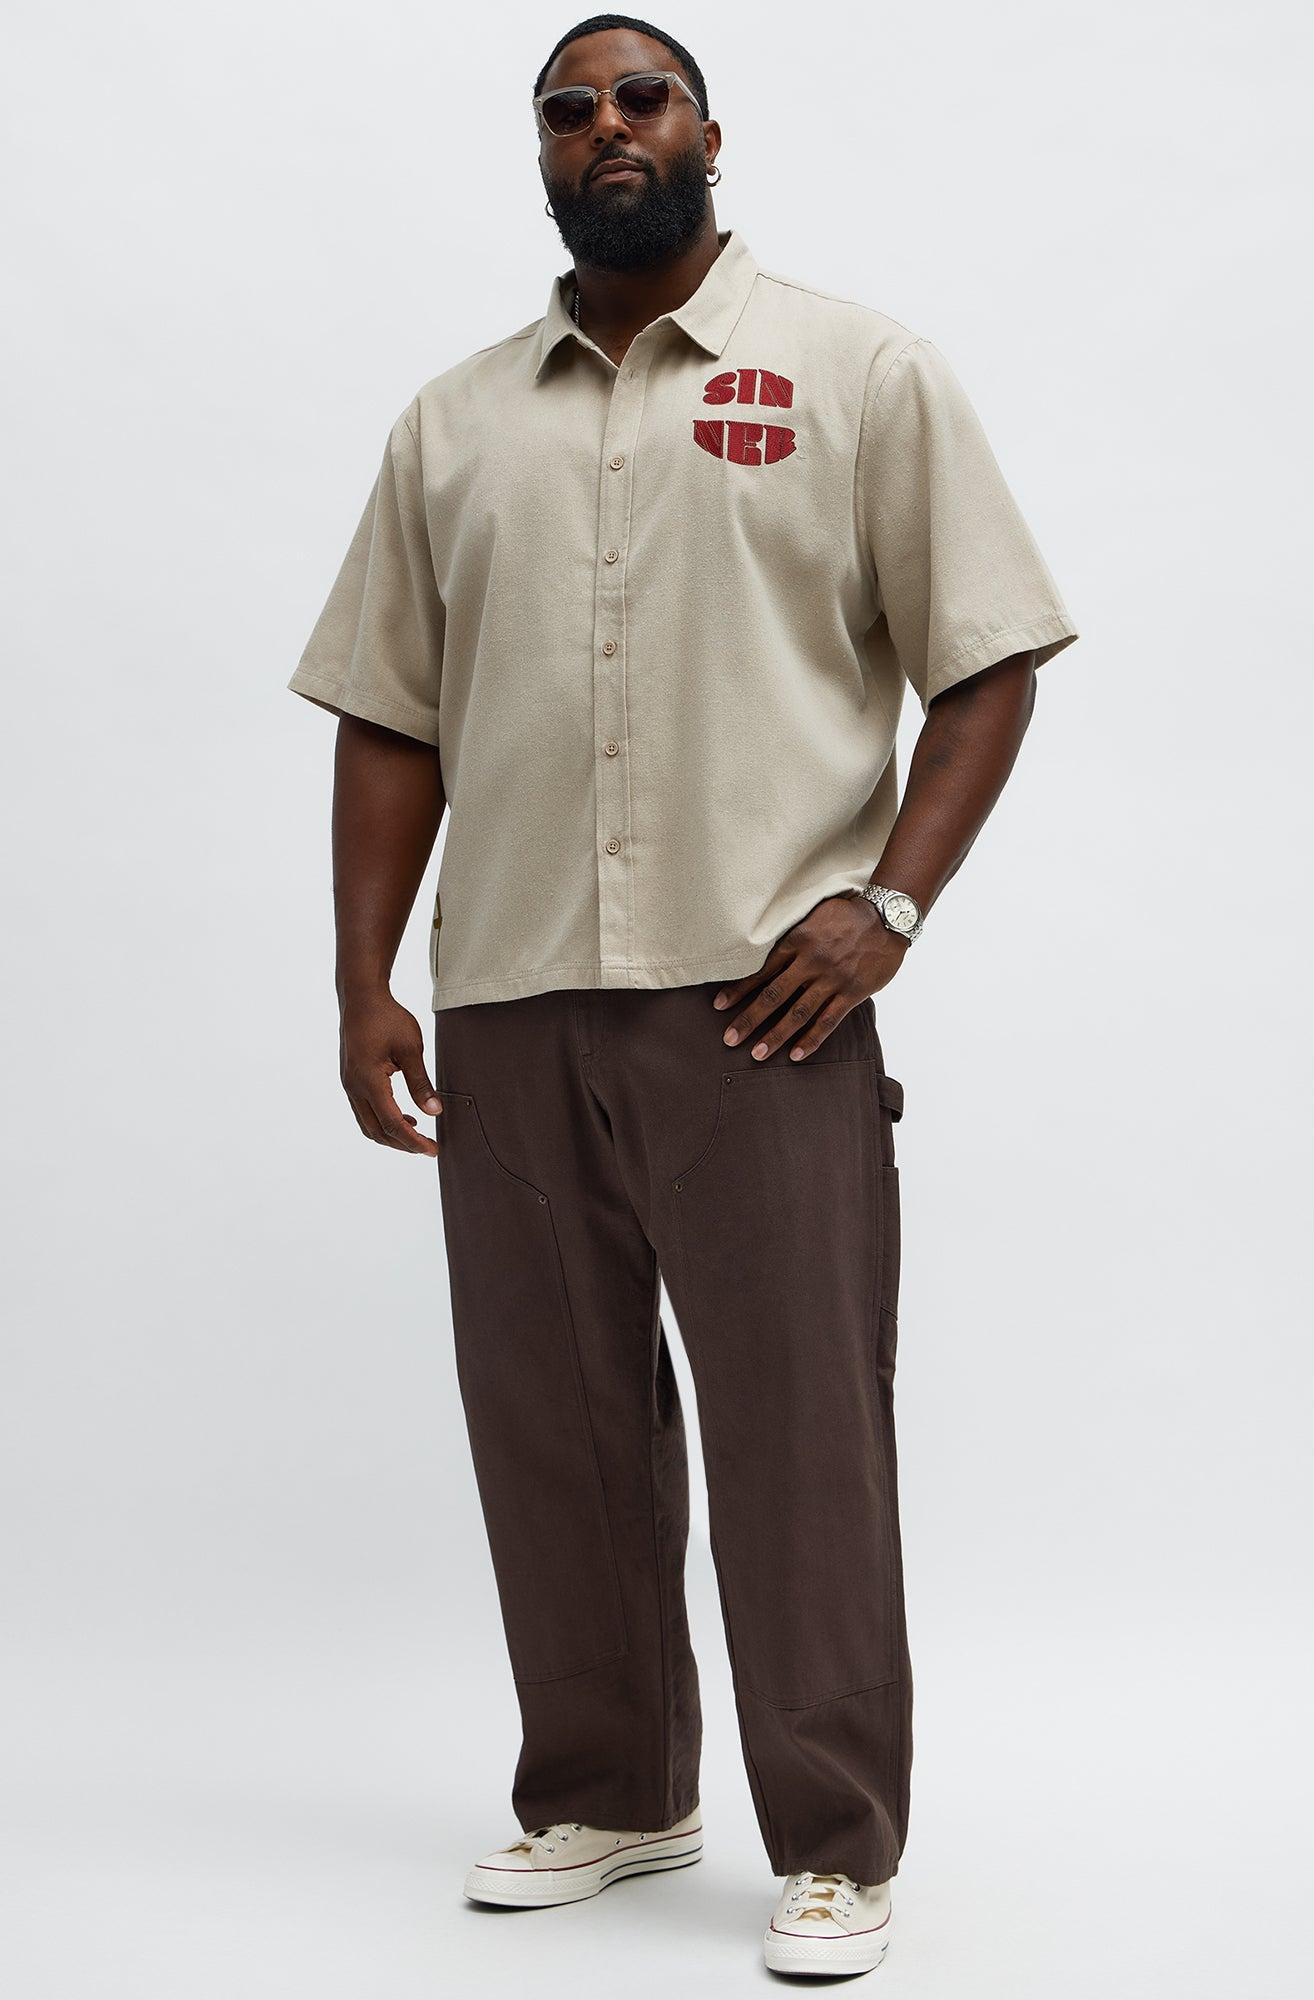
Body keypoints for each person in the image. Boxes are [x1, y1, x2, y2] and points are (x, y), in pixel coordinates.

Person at [286, 12, 1077, 1980]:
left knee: (801, 1425)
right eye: (567, 111)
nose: (606, 128)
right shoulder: (452, 424)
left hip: (760, 1002)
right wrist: (363, 978)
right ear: (543, 155)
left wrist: (889, 903)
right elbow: (390, 716)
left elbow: (985, 660)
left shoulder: (857, 372)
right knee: (548, 1420)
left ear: (711, 132)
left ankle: (838, 1839)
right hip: (510, 990)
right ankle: (611, 1792)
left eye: (640, 98)